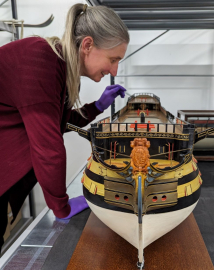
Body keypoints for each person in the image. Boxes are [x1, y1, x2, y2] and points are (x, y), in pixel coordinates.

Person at [0, 3, 129, 250]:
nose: (114, 70)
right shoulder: (40, 61)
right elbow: (48, 148)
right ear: (88, 45)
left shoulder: (61, 67)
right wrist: (62, 206)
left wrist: (99, 105)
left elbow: (60, 120)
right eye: (113, 59)